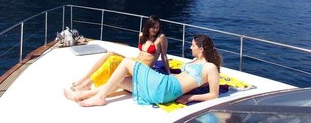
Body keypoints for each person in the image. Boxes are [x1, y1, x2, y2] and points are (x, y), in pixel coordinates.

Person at [64, 34, 222, 107]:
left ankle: (100, 98)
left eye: (193, 45)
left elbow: (213, 95)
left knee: (127, 62)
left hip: (167, 88)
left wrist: (190, 97)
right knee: (123, 81)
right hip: (166, 89)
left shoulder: (211, 67)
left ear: (201, 49)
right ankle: (81, 95)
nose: (190, 47)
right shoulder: (195, 61)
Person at [70, 15, 170, 92]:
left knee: (113, 61)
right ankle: (84, 78)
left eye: (157, 27)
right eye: (153, 27)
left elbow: (164, 56)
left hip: (142, 68)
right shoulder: (142, 35)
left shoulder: (161, 38)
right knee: (111, 54)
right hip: (135, 62)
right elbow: (141, 53)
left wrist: (169, 73)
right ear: (148, 27)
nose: (155, 30)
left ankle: (86, 84)